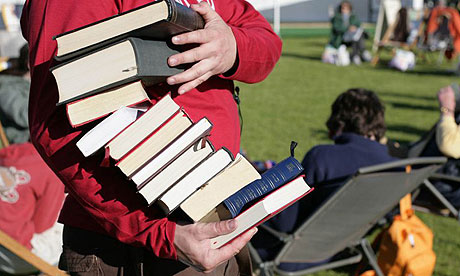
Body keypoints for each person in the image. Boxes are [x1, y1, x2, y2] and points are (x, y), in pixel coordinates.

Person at [20, 0, 282, 275]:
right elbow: (57, 125)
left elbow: (264, 39)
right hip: (135, 241)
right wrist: (160, 233)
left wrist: (232, 46)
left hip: (218, 209)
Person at [252, 88, 396, 270]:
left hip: (290, 255)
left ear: (339, 122)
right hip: (340, 247)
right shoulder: (395, 166)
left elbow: (283, 223)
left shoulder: (323, 157)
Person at [0, 44, 65, 274]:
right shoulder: (7, 84)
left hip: (21, 159)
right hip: (15, 251)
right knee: (65, 225)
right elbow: (42, 226)